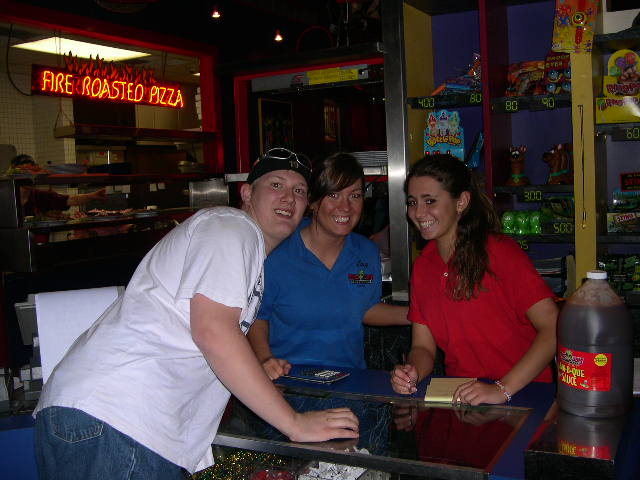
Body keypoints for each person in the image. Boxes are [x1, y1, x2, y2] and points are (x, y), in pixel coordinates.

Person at [33, 147, 359, 479]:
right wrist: (294, 423)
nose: (289, 197)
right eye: (276, 184)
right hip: (119, 420)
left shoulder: (242, 246)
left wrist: (258, 368)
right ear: (247, 193)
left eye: (299, 190)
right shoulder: (232, 226)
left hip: (105, 419)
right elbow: (213, 332)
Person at [391, 153, 557, 405]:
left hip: (524, 394)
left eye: (430, 201)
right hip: (464, 397)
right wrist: (412, 371)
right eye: (412, 202)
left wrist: (502, 389)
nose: (418, 212)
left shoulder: (500, 253)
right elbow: (423, 347)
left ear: (461, 202)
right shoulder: (423, 266)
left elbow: (553, 327)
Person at [248, 152, 409, 380]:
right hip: (289, 380)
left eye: (355, 195)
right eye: (333, 195)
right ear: (313, 201)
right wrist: (265, 359)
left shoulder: (366, 252)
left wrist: (420, 315)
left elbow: (364, 308)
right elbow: (257, 316)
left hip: (350, 379)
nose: (345, 207)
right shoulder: (277, 251)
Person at [11, 154, 106, 216]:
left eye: (32, 171)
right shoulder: (7, 200)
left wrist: (92, 195)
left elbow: (70, 200)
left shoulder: (39, 195)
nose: (29, 175)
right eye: (24, 171)